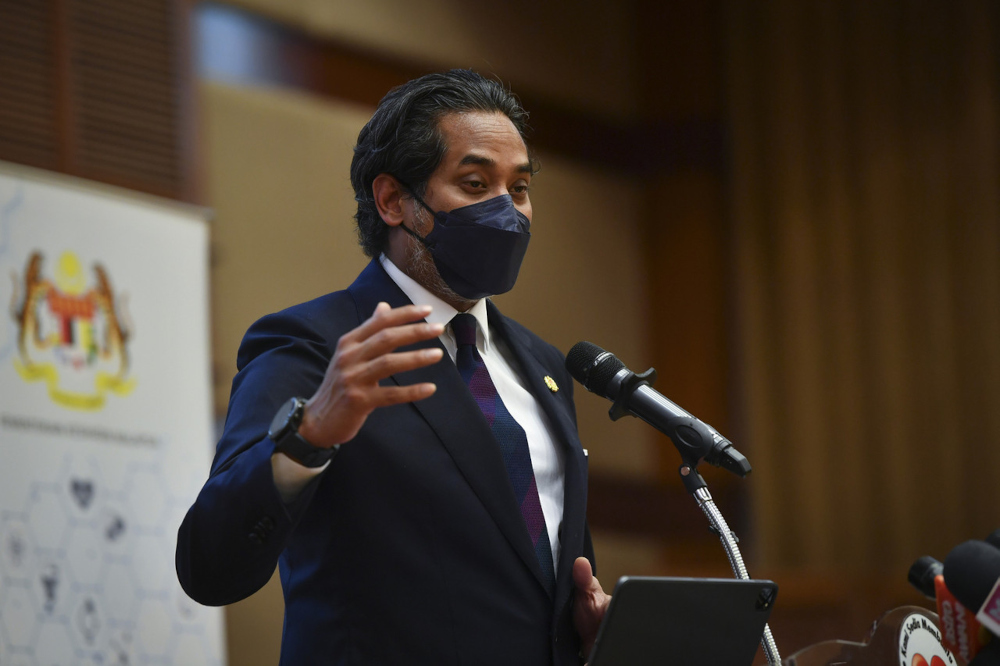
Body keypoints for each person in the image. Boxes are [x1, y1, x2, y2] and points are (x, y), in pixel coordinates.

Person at [176, 69, 609, 665]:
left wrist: (583, 631)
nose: (508, 212)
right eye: (476, 183)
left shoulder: (543, 364)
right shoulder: (314, 345)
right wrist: (310, 433)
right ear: (393, 201)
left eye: (520, 187)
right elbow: (210, 565)